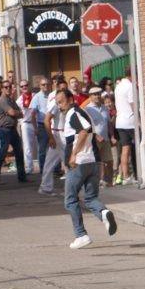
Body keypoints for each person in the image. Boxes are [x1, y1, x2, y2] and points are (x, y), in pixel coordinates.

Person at [57, 87, 117, 249]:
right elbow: (93, 134)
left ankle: (81, 234)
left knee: (70, 200)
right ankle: (104, 213)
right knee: (90, 198)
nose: (59, 106)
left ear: (70, 100)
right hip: (92, 162)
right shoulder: (84, 112)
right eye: (57, 103)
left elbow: (84, 131)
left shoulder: (73, 113)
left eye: (61, 102)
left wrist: (73, 154)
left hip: (79, 163)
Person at [0, 81, 27, 184]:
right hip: (5, 130)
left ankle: (22, 177)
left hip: (12, 129)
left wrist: (16, 113)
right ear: (2, 89)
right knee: (2, 153)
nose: (8, 89)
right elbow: (12, 112)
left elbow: (20, 113)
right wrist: (15, 113)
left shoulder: (10, 100)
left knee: (19, 152)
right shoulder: (2, 100)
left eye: (10, 87)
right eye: (5, 87)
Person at [38, 79, 65, 195]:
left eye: (65, 88)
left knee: (62, 162)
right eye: (62, 88)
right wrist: (51, 137)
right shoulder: (56, 102)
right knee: (67, 162)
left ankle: (45, 187)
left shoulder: (66, 100)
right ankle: (46, 187)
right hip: (58, 134)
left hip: (64, 134)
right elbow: (46, 120)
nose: (64, 90)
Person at [85, 86, 114, 185]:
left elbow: (109, 123)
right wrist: (96, 136)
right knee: (95, 161)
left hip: (105, 138)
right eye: (94, 94)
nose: (97, 96)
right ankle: (96, 181)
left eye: (98, 94)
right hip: (94, 140)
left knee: (108, 161)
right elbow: (86, 126)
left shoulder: (104, 108)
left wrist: (112, 136)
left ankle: (109, 182)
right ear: (90, 96)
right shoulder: (87, 109)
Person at [113, 71, 137, 185]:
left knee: (125, 149)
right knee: (134, 149)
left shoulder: (118, 86)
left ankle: (126, 176)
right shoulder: (129, 86)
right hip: (130, 121)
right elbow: (133, 104)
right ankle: (136, 174)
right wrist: (139, 120)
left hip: (120, 121)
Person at [18, 79, 39, 174]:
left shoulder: (35, 96)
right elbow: (18, 114)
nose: (24, 87)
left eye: (26, 85)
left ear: (29, 85)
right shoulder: (19, 100)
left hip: (37, 123)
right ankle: (29, 168)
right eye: (22, 86)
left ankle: (42, 166)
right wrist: (21, 122)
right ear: (20, 88)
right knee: (27, 147)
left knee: (40, 145)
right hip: (26, 124)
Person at [34, 77, 52, 173]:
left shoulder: (53, 95)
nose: (46, 86)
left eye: (47, 84)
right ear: (40, 86)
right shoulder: (36, 97)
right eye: (43, 84)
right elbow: (32, 113)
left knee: (54, 147)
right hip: (42, 125)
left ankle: (56, 169)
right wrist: (35, 128)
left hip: (53, 125)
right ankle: (43, 169)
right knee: (42, 149)